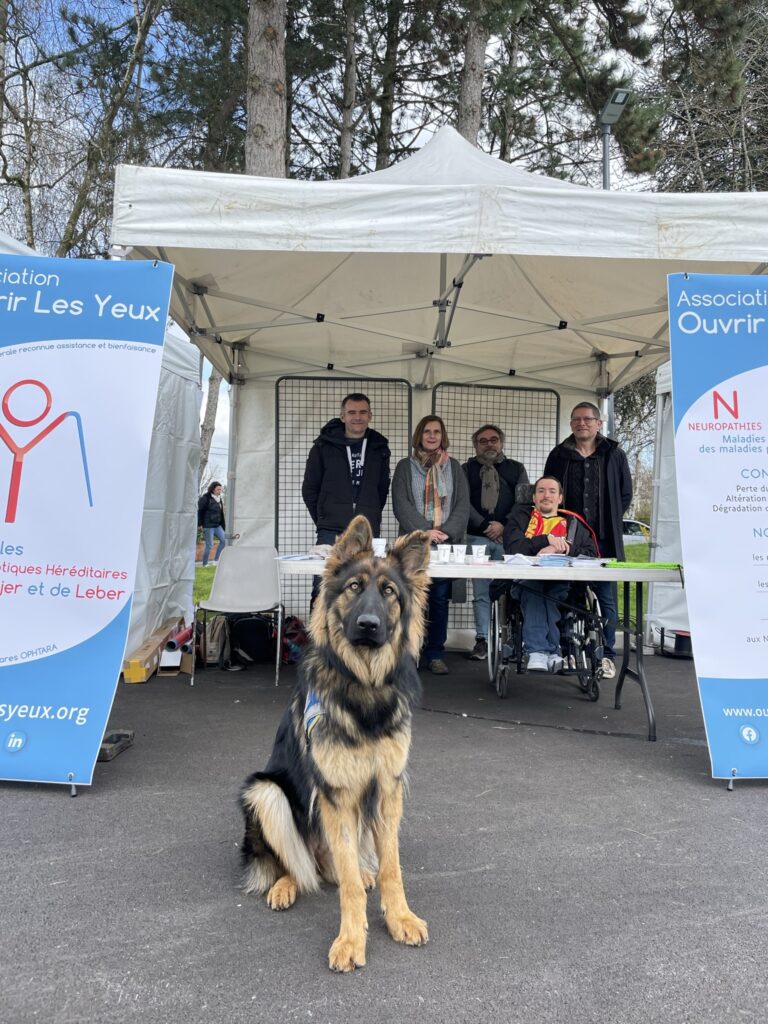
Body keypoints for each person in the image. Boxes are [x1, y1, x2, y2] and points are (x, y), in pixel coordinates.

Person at [543, 402, 632, 679]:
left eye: (588, 419)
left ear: (598, 423)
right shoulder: (559, 455)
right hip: (568, 540)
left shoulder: (614, 454)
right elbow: (549, 492)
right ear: (571, 424)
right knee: (565, 594)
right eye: (577, 419)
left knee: (606, 598)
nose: (582, 423)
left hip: (604, 541)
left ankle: (606, 654)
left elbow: (625, 493)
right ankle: (568, 649)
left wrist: (610, 519)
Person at [392, 415, 469, 675]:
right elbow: (400, 503)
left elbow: (462, 504)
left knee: (438, 599)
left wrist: (445, 532)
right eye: (427, 431)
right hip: (415, 545)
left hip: (445, 545)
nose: (432, 436)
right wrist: (426, 530)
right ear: (419, 436)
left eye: (437, 431)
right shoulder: (405, 466)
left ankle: (435, 653)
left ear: (443, 436)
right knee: (410, 599)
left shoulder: (454, 467)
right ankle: (409, 653)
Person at [503, 476, 598, 673]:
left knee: (551, 593)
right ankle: (544, 651)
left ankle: (546, 652)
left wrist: (562, 550)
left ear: (560, 498)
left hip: (561, 583)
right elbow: (513, 548)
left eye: (552, 491)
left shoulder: (573, 524)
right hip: (525, 581)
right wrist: (545, 540)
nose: (546, 495)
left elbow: (591, 554)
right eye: (541, 491)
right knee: (535, 589)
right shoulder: (519, 519)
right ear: (534, 497)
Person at [302, 394, 390, 599]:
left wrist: (370, 513)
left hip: (366, 530)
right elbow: (310, 488)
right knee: (324, 587)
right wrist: (324, 517)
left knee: (364, 589)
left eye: (362, 412)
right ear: (342, 416)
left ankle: (354, 632)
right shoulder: (323, 446)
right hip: (330, 530)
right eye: (351, 412)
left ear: (370, 416)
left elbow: (382, 489)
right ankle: (320, 632)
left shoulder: (380, 448)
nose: (357, 417)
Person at [462, 423, 529, 661]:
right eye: (483, 441)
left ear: (501, 443)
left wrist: (504, 526)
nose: (489, 444)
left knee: (510, 590)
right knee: (481, 592)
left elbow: (522, 503)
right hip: (476, 538)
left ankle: (509, 639)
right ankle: (482, 640)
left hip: (508, 540)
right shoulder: (466, 469)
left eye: (493, 440)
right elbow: (462, 503)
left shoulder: (516, 469)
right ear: (476, 445)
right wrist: (485, 526)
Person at [198, 481, 226, 567]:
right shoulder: (205, 498)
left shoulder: (219, 499)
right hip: (208, 526)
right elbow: (200, 511)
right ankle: (205, 564)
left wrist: (223, 525)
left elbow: (221, 513)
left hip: (217, 525)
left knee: (224, 540)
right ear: (213, 489)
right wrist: (200, 524)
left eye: (220, 489)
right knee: (209, 545)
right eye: (218, 489)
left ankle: (216, 560)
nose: (220, 491)